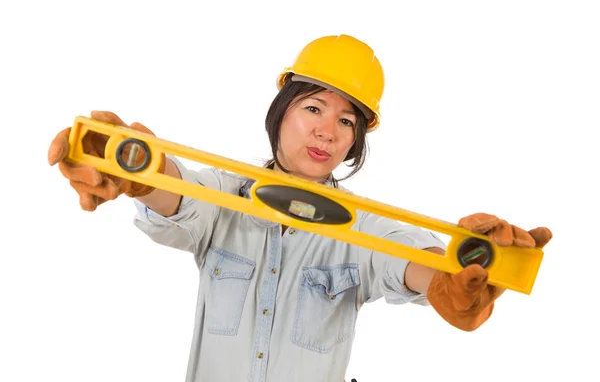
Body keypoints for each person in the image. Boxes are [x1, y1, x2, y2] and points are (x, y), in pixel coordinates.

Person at [47, 34, 552, 382]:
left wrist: (453, 276)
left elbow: (409, 261)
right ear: (281, 112)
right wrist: (140, 172)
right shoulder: (226, 194)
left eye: (347, 121)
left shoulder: (364, 229)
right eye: (313, 107)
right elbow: (180, 196)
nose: (327, 131)